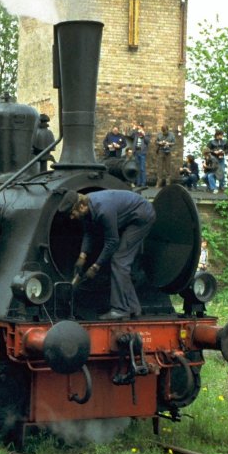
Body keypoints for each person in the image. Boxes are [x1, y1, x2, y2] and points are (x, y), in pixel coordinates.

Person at [61, 190, 156, 320]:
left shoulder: (103, 210)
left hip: (141, 217)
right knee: (120, 263)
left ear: (81, 207)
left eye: (72, 213)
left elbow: (112, 241)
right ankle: (133, 307)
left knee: (119, 261)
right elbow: (89, 233)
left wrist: (95, 266)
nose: (72, 217)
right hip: (132, 214)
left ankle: (120, 310)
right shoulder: (86, 209)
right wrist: (82, 257)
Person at [129, 122, 148, 186]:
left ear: (143, 127)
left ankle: (143, 183)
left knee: (142, 168)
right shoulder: (136, 134)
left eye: (141, 127)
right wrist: (133, 129)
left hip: (142, 152)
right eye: (139, 126)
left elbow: (147, 141)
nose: (140, 128)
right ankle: (138, 182)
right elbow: (130, 136)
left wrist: (144, 134)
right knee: (137, 168)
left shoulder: (146, 134)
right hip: (136, 152)